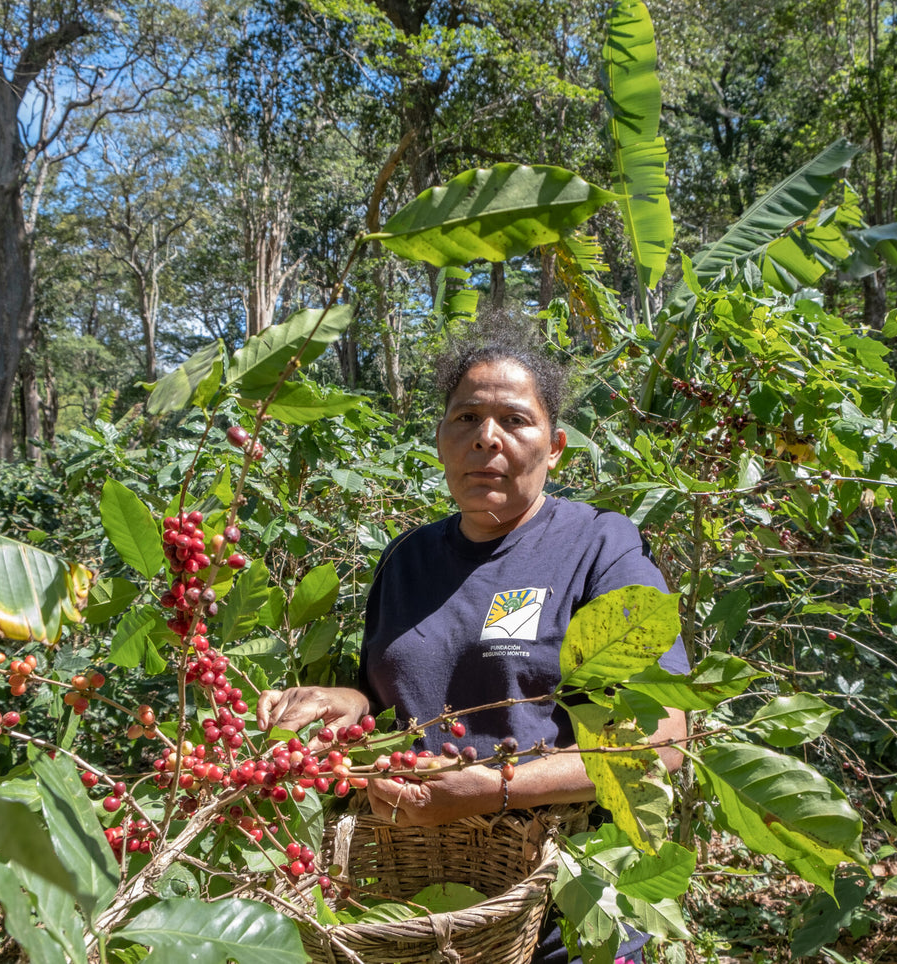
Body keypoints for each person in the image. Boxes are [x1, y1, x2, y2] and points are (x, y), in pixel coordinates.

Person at [257, 320, 689, 962]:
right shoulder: (406, 559)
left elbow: (664, 741)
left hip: (562, 899)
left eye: (515, 420)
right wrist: (348, 704)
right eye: (466, 418)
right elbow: (396, 707)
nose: (487, 437)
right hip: (416, 902)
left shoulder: (599, 546)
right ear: (440, 440)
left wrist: (493, 786)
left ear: (556, 446)